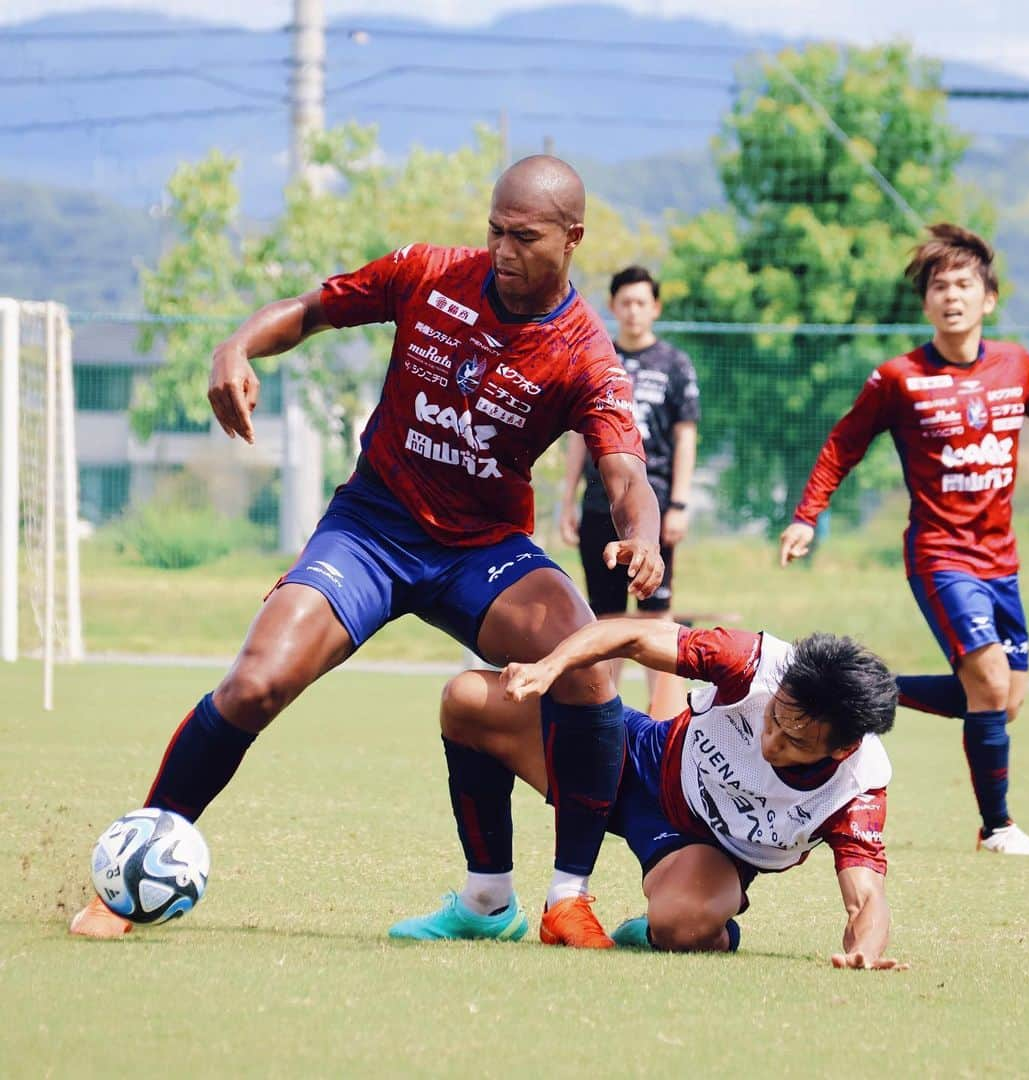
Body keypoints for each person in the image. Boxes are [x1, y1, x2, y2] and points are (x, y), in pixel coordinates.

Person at [70, 155, 663, 944]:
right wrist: (236, 347)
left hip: (482, 550)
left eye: (524, 236)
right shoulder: (427, 273)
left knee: (586, 664)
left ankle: (564, 899)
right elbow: (312, 311)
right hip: (372, 528)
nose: (503, 249)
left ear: (573, 238)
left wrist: (644, 534)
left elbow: (625, 472)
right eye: (495, 230)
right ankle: (129, 879)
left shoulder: (587, 353)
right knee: (254, 684)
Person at [779, 223, 1029, 857]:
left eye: (964, 285)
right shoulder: (899, 378)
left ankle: (857, 683)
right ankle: (997, 829)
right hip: (941, 556)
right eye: (939, 287)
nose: (951, 296)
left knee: (1001, 701)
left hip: (1002, 559)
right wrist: (807, 515)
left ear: (988, 298)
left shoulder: (1016, 365)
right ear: (926, 304)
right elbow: (843, 444)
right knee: (990, 685)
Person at [392, 617, 905, 971]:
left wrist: (864, 952)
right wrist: (551, 666)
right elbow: (634, 637)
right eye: (774, 719)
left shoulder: (857, 787)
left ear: (842, 750)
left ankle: (659, 931)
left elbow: (865, 900)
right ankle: (487, 902)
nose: (773, 741)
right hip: (633, 758)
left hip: (699, 852)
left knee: (684, 927)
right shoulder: (754, 663)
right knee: (468, 700)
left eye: (796, 741)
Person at [560, 266, 699, 717]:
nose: (634, 311)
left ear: (655, 308)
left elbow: (685, 438)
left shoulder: (675, 365)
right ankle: (608, 715)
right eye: (626, 303)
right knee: (605, 616)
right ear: (614, 308)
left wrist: (677, 504)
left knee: (656, 612)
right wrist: (566, 501)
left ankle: (664, 718)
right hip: (600, 505)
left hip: (652, 507)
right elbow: (579, 436)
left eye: (642, 302)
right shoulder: (599, 359)